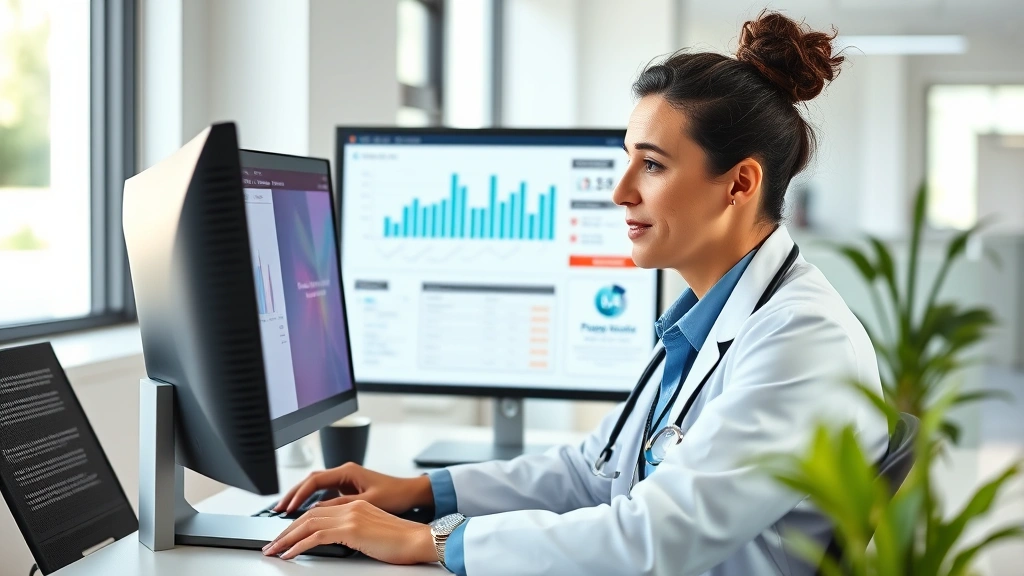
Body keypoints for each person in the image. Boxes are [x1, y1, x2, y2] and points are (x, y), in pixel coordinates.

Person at [262, 10, 889, 576]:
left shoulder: (802, 340)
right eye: (628, 159)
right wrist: (421, 492)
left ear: (739, 184)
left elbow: (653, 537)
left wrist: (430, 540)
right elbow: (595, 470)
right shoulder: (707, 321)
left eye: (652, 164)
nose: (620, 191)